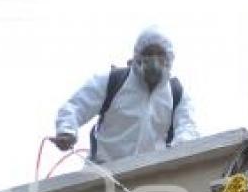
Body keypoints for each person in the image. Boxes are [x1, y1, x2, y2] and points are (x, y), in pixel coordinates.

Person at [52, 27, 199, 163]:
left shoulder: (176, 93)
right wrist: (67, 131)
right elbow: (77, 106)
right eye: (148, 53)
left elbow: (187, 127)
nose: (154, 60)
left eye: (160, 54)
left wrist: (181, 151)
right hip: (104, 172)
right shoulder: (114, 81)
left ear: (169, 58)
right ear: (137, 56)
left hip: (151, 172)